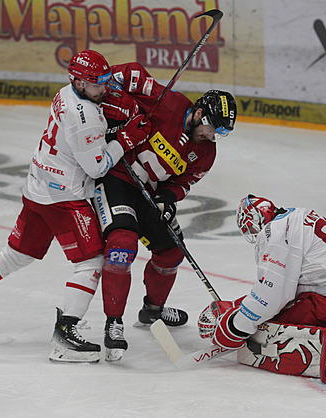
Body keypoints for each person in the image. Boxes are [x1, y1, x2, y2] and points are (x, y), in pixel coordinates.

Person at [0, 50, 151, 363]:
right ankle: (65, 334)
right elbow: (98, 166)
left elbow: (86, 139)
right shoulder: (85, 117)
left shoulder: (65, 94)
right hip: (64, 198)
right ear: (78, 81)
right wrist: (126, 139)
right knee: (91, 261)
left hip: (38, 188)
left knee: (17, 254)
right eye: (97, 83)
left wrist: (115, 132)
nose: (104, 88)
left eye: (104, 80)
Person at [92, 61, 237, 361]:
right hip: (117, 178)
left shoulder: (205, 152)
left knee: (172, 250)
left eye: (218, 134)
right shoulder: (167, 102)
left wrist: (167, 198)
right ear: (198, 113)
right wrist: (116, 104)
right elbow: (131, 74)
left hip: (148, 194)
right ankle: (114, 323)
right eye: (211, 128)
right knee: (122, 246)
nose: (211, 137)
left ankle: (152, 311)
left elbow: (184, 183)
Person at [197, 195, 326, 383]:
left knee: (267, 326)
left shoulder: (275, 232)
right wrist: (239, 306)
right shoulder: (299, 216)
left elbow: (271, 298)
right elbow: (291, 287)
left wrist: (234, 326)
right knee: (277, 309)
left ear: (256, 219)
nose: (253, 235)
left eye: (250, 229)